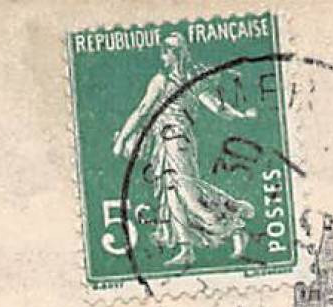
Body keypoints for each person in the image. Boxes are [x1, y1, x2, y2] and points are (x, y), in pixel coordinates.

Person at [110, 30, 257, 267]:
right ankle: (186, 248)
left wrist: (241, 115)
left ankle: (234, 225)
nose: (162, 56)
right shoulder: (165, 81)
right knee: (171, 194)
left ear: (175, 54)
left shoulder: (178, 81)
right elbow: (143, 110)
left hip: (178, 142)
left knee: (189, 194)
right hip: (165, 143)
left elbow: (216, 107)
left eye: (165, 52)